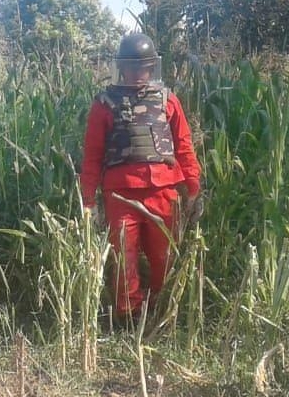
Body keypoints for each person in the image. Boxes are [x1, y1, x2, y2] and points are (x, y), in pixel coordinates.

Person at [79, 32, 201, 328]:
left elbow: (183, 145)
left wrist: (194, 189)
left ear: (152, 67)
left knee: (164, 256)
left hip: (164, 190)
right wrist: (88, 202)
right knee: (124, 259)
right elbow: (92, 155)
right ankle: (129, 317)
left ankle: (164, 312)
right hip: (121, 195)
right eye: (132, 68)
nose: (138, 74)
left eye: (143, 68)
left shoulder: (168, 100)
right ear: (121, 68)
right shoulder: (104, 104)